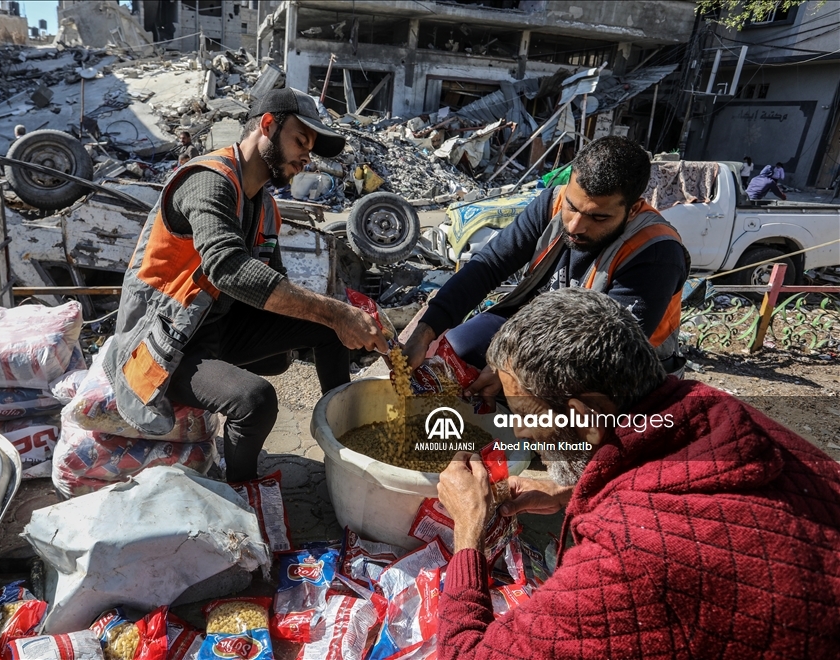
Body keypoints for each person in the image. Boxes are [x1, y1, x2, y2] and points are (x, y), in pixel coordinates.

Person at [436, 288, 840, 659]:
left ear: (582, 415)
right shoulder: (713, 409)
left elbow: (466, 655)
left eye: (523, 414)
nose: (520, 431)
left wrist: (468, 529)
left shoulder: (629, 554)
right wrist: (572, 490)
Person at [104, 88, 387, 482]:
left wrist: (343, 317)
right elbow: (227, 266)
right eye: (300, 142)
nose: (306, 158)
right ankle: (239, 489)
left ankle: (347, 448)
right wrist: (337, 311)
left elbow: (274, 284)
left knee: (331, 330)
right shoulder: (208, 181)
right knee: (255, 400)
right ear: (267, 125)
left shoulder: (266, 207)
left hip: (218, 328)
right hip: (167, 343)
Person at [403, 136, 689, 393]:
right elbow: (488, 266)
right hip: (538, 328)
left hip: (616, 365)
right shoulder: (551, 203)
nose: (575, 226)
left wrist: (512, 368)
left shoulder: (656, 252)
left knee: (543, 400)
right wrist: (426, 330)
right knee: (456, 351)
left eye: (598, 218)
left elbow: (610, 351)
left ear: (633, 210)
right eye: (572, 207)